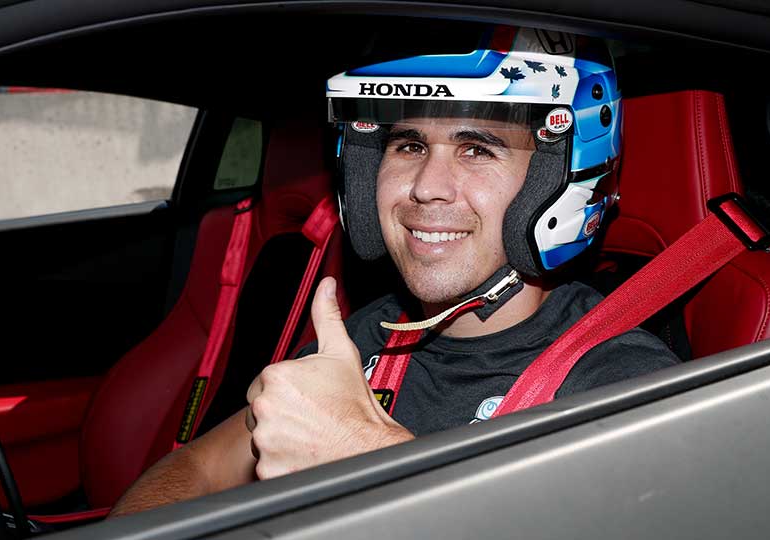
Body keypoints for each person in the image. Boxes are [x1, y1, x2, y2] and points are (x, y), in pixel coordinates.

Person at [109, 26, 678, 517]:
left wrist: (374, 460)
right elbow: (197, 471)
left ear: (558, 178)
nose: (427, 187)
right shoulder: (366, 339)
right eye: (407, 145)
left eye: (477, 149)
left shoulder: (623, 385)